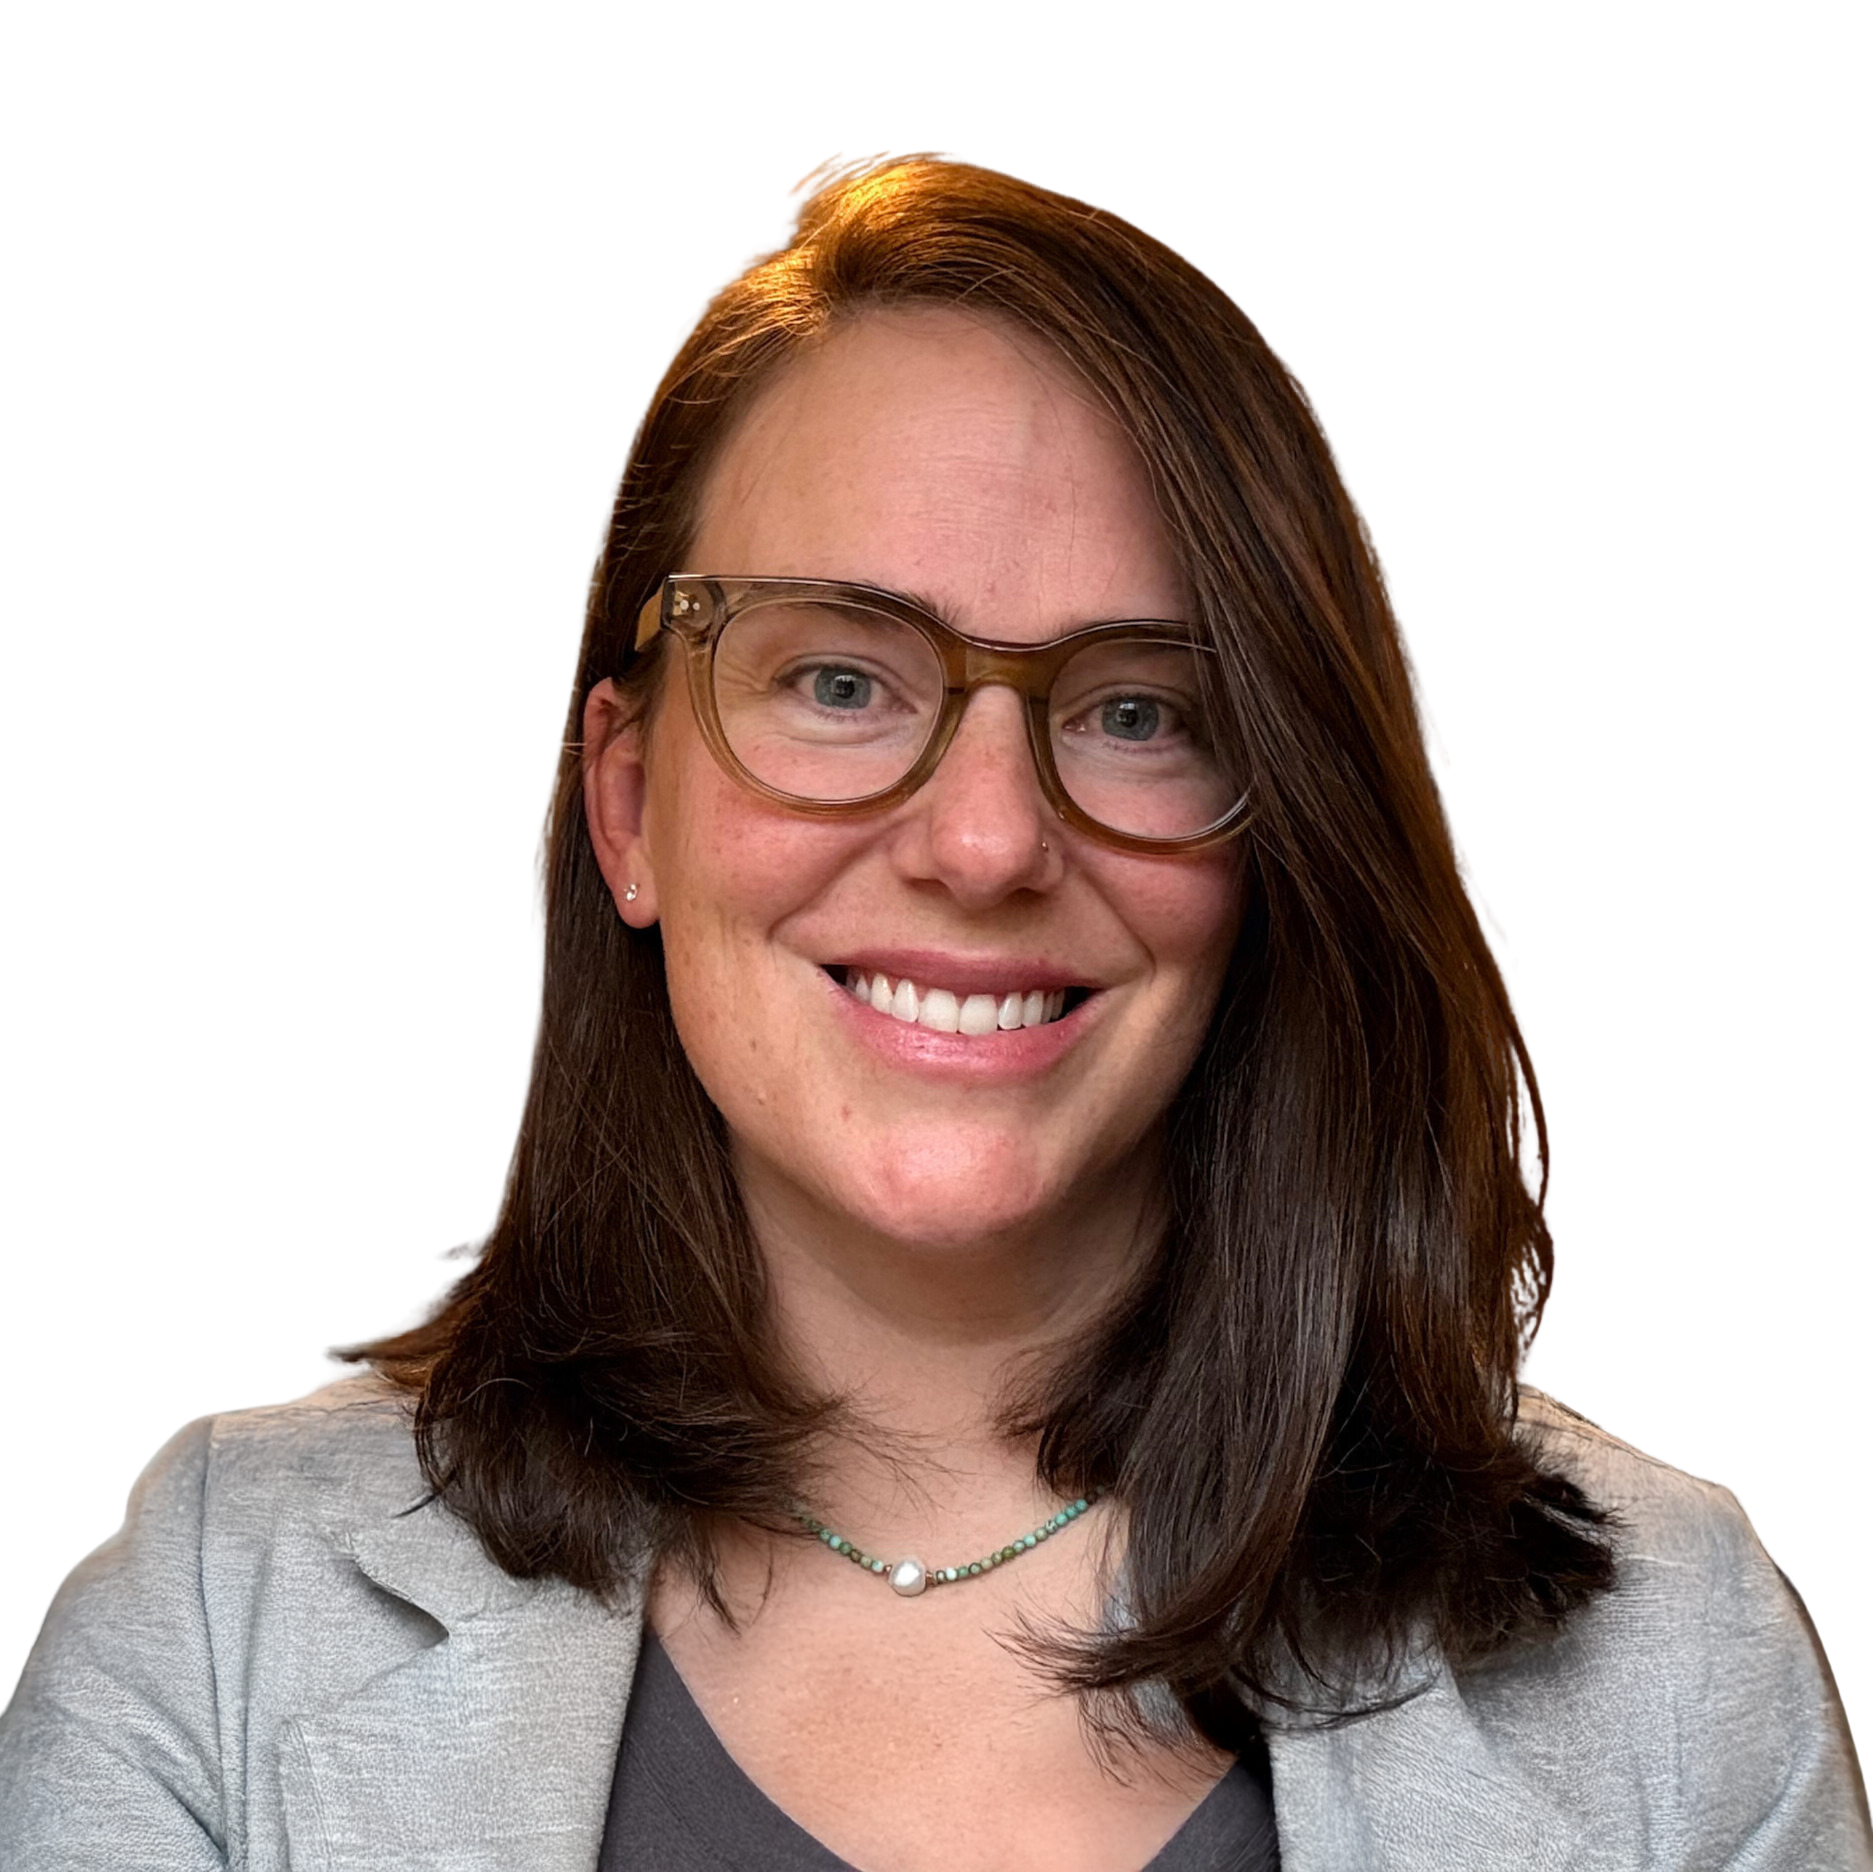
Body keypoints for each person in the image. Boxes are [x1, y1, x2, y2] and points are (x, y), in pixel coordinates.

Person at [1, 157, 1865, 1872]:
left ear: (1284, 824)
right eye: (837, 679)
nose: (984, 843)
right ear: (630, 804)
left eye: (1140, 710)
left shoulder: (1672, 1686)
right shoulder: (219, 1632)